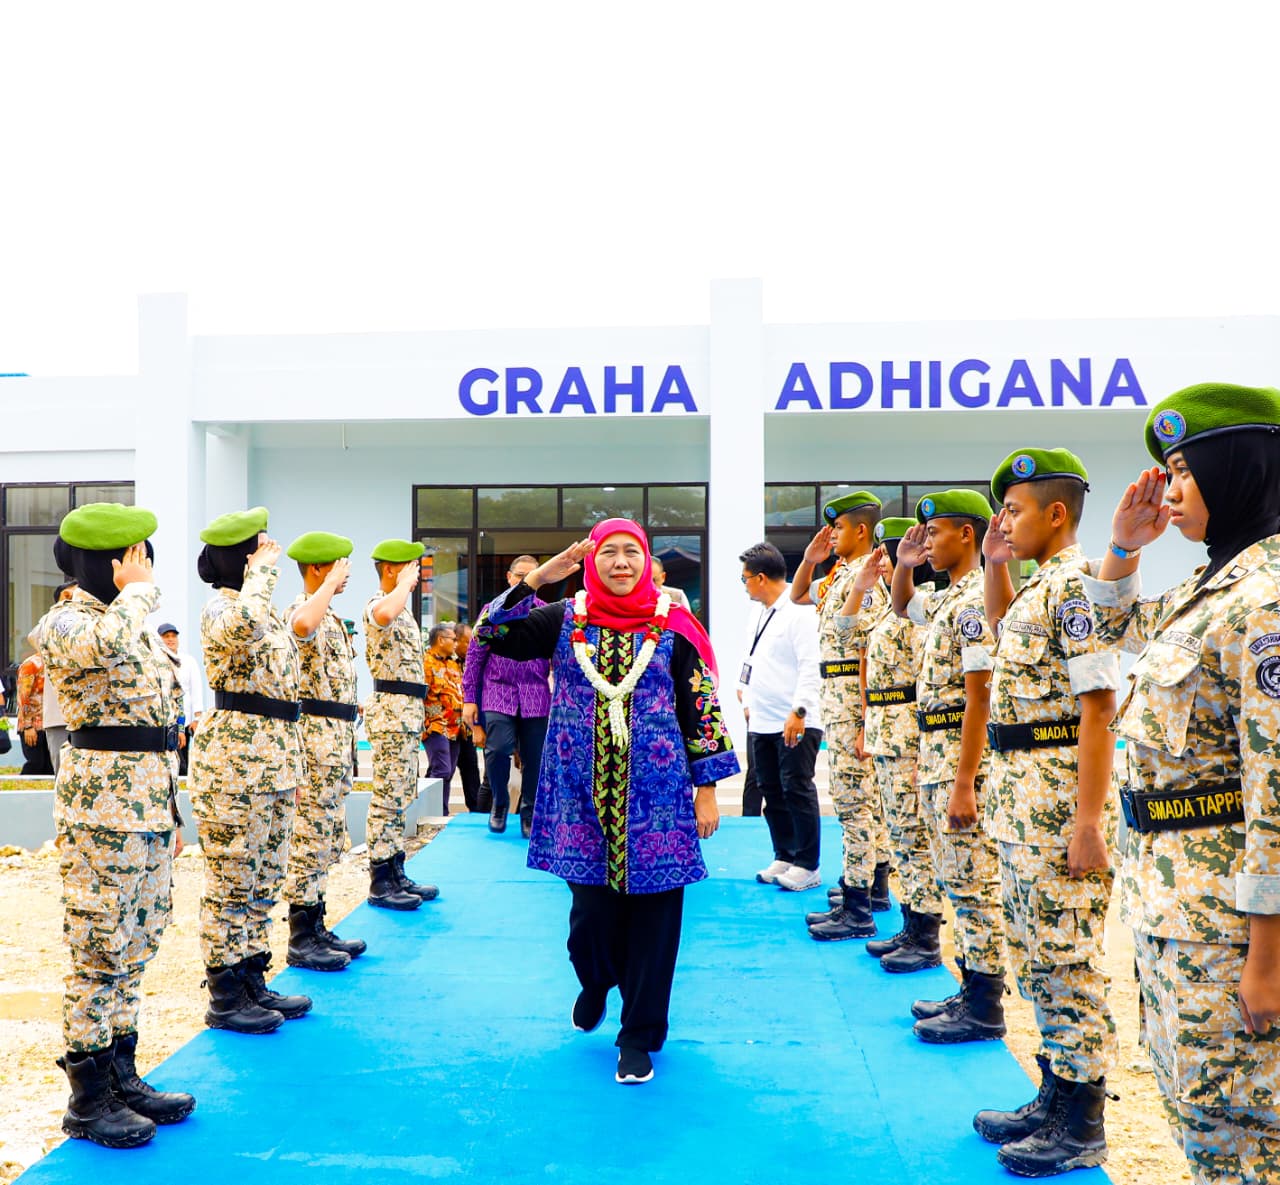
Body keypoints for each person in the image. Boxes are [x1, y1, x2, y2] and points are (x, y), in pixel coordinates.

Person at [1083, 383, 1280, 1185]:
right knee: (1200, 1111)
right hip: (1179, 908)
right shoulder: (1214, 585)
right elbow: (1109, 628)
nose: (1170, 491)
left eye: (1185, 472)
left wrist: (1268, 954)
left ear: (1241, 470)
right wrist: (1125, 548)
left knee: (1247, 1129)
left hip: (1231, 927)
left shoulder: (1265, 600)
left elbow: (1278, 787)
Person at [473, 519, 737, 1085]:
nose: (621, 563)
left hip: (659, 801)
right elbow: (489, 634)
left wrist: (707, 789)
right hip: (578, 797)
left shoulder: (675, 626)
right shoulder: (565, 618)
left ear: (647, 562)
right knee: (589, 920)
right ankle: (595, 981)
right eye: (610, 553)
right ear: (593, 563)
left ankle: (638, 1035)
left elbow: (702, 707)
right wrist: (541, 578)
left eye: (632, 553)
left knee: (656, 925)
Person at [970, 449, 1120, 1176]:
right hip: (1021, 800)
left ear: (1056, 513)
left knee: (1068, 957)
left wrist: (1088, 819)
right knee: (1036, 951)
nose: (1004, 520)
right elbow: (1004, 635)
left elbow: (1099, 708)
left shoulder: (1080, 588)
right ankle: (1056, 1090)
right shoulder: (1037, 587)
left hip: (1059, 803)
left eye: (1016, 510)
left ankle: (1083, 1119)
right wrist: (996, 561)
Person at [37, 502, 194, 1148]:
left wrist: (172, 809)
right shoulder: (66, 622)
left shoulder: (130, 622)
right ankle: (87, 1094)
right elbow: (104, 647)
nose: (144, 568)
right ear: (107, 563)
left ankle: (121, 1071)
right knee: (98, 951)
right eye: (133, 557)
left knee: (136, 942)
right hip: (100, 816)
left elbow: (157, 723)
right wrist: (137, 596)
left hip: (147, 807)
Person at [891, 490, 1007, 1043]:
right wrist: (904, 568)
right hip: (936, 754)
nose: (926, 541)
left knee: (975, 884)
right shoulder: (947, 598)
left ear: (967, 535)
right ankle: (972, 988)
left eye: (934, 533)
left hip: (961, 762)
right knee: (958, 881)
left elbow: (980, 697)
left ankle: (986, 1005)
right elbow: (902, 606)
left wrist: (964, 782)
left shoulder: (973, 606)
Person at [190, 507, 311, 1034]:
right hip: (235, 766)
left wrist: (298, 766)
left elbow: (287, 697)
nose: (271, 557)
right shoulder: (223, 609)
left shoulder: (261, 606)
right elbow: (246, 627)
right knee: (232, 881)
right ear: (241, 559)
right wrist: (259, 576)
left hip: (275, 758)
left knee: (264, 876)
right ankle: (224, 994)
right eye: (260, 550)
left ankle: (252, 976)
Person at [831, 518, 946, 971]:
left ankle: (926, 934)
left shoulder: (924, 612)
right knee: (900, 834)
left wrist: (924, 747)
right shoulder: (889, 608)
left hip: (908, 732)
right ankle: (910, 924)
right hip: (884, 728)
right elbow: (846, 635)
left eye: (891, 553)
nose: (882, 561)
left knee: (915, 839)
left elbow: (930, 683)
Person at [793, 492, 894, 938]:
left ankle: (859, 907)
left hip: (853, 703)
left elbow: (871, 652)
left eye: (837, 528)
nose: (830, 535)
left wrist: (868, 721)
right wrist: (810, 560)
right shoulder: (842, 577)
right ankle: (868, 889)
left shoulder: (866, 582)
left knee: (855, 806)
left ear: (860, 530)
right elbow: (797, 595)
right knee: (860, 804)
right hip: (840, 701)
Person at [280, 532, 365, 973]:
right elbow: (299, 627)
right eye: (339, 566)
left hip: (335, 740)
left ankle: (316, 925)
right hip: (314, 741)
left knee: (325, 836)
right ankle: (301, 937)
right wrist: (327, 586)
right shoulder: (304, 609)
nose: (346, 574)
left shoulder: (329, 614)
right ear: (319, 569)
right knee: (309, 841)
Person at [739, 541, 824, 892]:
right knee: (770, 789)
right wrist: (742, 689)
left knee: (796, 788)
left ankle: (808, 863)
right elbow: (752, 655)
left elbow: (810, 664)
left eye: (744, 578)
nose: (743, 584)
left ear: (761, 578)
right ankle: (784, 853)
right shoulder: (759, 611)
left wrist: (799, 710)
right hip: (761, 717)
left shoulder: (799, 610)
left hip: (794, 719)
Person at [364, 538, 437, 909]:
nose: (418, 573)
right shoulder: (380, 603)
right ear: (391, 569)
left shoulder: (403, 610)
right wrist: (404, 586)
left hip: (407, 712)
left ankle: (395, 869)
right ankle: (380, 879)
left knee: (401, 795)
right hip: (392, 711)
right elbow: (381, 616)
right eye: (410, 567)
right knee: (387, 799)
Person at [463, 555, 552, 839]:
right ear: (510, 578)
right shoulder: (492, 612)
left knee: (535, 758)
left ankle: (529, 811)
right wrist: (469, 698)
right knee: (498, 748)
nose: (525, 581)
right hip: (498, 691)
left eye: (532, 575)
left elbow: (561, 657)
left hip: (536, 694)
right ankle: (499, 803)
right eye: (520, 575)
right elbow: (475, 657)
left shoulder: (547, 613)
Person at [422, 622, 463, 811]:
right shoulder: (425, 663)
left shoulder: (454, 664)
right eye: (453, 639)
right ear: (440, 640)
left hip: (456, 728)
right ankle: (428, 810)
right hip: (436, 726)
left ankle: (440, 812)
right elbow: (420, 696)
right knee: (442, 770)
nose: (456, 643)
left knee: (446, 772)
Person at [40, 580, 79, 773]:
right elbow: (35, 636)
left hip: (88, 719)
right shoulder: (49, 626)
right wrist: (62, 607)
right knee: (63, 777)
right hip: (59, 718)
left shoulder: (91, 628)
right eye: (68, 597)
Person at [155, 623, 203, 777]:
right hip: (165, 722)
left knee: (184, 762)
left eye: (173, 636)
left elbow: (196, 690)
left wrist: (197, 718)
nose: (170, 639)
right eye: (166, 636)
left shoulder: (188, 661)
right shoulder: (156, 662)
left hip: (185, 720)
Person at [452, 624, 483, 812]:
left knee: (471, 768)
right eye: (469, 641)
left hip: (466, 727)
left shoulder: (472, 662)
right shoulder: (443, 661)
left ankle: (476, 809)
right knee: (443, 770)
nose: (472, 645)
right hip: (445, 727)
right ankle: (438, 809)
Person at [16, 648, 53, 775]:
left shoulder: (58, 664)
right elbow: (23, 696)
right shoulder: (30, 665)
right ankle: (20, 792)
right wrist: (28, 726)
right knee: (36, 764)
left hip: (51, 723)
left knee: (50, 767)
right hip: (33, 725)